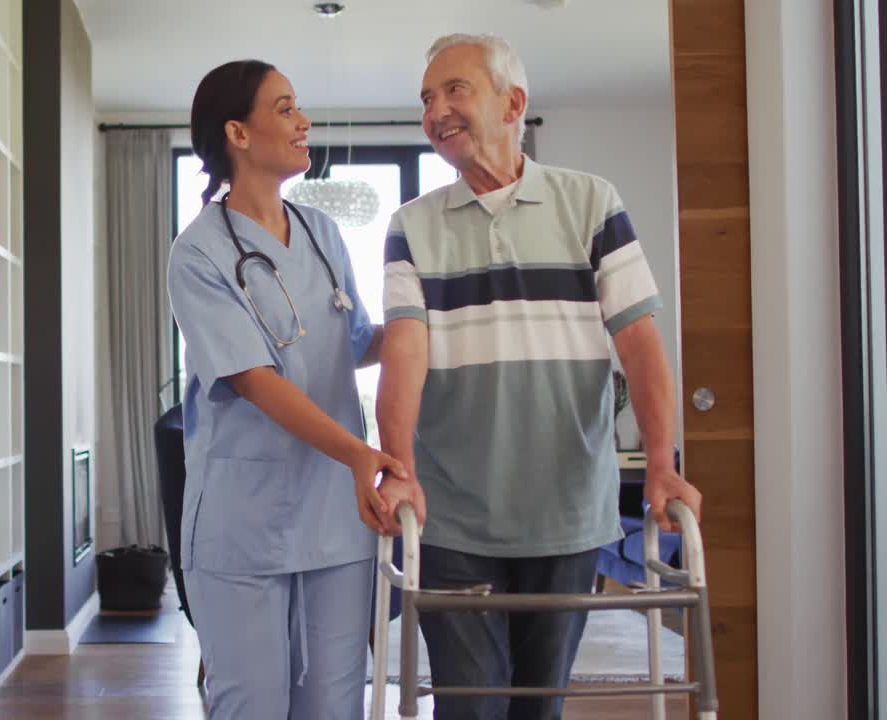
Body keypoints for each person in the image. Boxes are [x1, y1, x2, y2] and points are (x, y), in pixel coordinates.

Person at [374, 34, 704, 720]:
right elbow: (405, 354)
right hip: (454, 514)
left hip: (567, 510)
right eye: (427, 98)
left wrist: (665, 465)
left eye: (455, 90)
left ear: (512, 102)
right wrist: (399, 465)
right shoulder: (413, 226)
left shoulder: (592, 204)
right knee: (471, 705)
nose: (436, 111)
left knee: (538, 705)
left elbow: (640, 344)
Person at [166, 59, 407, 719]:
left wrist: (422, 324)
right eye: (285, 107)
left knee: (334, 704)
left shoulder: (324, 233)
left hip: (334, 514)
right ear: (238, 134)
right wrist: (360, 453)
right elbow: (252, 378)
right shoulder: (198, 252)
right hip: (244, 519)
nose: (303, 122)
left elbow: (352, 342)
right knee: (254, 705)